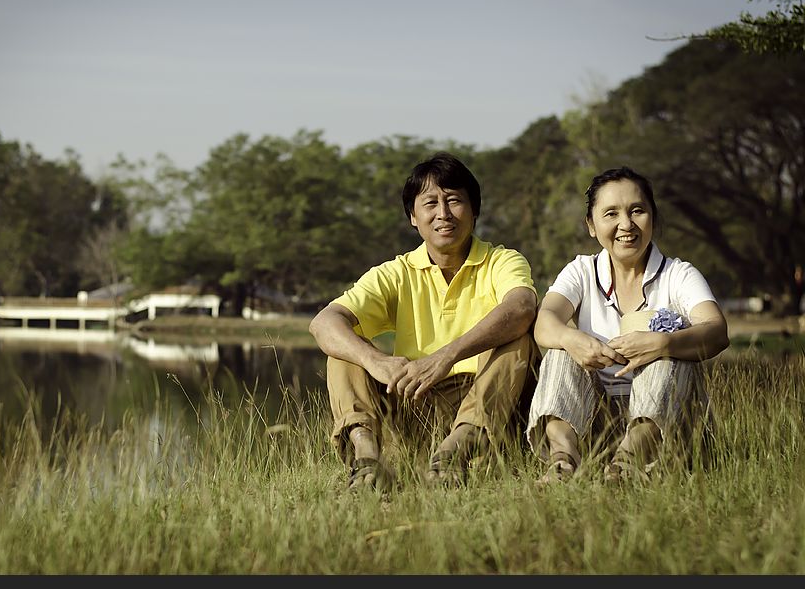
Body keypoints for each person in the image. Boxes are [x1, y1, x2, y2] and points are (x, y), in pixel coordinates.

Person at [309, 152, 540, 490]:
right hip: (415, 400)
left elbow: (522, 306)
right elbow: (323, 322)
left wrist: (445, 357)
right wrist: (377, 362)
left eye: (454, 201)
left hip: (486, 406)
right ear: (413, 217)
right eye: (430, 203)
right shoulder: (396, 272)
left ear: (474, 211)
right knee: (344, 348)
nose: (443, 214)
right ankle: (367, 461)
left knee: (518, 336)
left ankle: (455, 452)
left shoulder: (501, 261)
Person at [526, 166, 729, 483]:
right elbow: (544, 322)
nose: (626, 225)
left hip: (668, 432)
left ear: (653, 217)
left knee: (670, 352)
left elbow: (716, 331)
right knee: (560, 352)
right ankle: (563, 464)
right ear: (592, 226)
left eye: (637, 211)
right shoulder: (581, 270)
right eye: (611, 214)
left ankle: (628, 465)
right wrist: (571, 338)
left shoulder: (680, 274)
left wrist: (663, 344)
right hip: (596, 425)